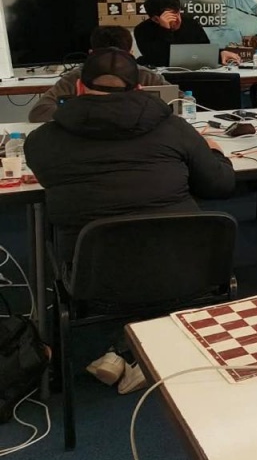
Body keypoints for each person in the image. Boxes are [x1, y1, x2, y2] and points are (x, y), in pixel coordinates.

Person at [25, 48, 236, 393]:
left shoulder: (41, 142)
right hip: (189, 270)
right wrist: (214, 151)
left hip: (95, 283)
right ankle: (139, 351)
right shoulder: (175, 129)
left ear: (78, 88)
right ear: (139, 89)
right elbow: (221, 185)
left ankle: (124, 350)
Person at [30, 25, 172, 122]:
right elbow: (40, 112)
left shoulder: (146, 75)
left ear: (91, 54)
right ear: (131, 54)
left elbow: (180, 102)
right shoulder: (146, 76)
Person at [134, 0, 238, 68]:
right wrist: (165, 30)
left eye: (177, 13)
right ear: (155, 19)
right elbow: (159, 60)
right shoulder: (142, 30)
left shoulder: (190, 23)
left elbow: (203, 50)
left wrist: (219, 54)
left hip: (192, 74)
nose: (177, 20)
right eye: (170, 17)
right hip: (163, 78)